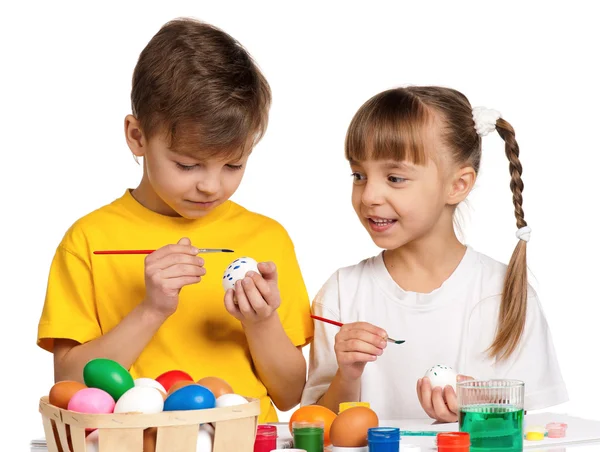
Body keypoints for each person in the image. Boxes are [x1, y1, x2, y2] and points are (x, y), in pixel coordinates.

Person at [37, 18, 313, 423]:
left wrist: (262, 322)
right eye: (188, 164)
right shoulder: (89, 240)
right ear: (137, 137)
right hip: (138, 442)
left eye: (233, 164)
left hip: (247, 440)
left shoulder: (266, 238)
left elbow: (290, 394)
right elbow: (70, 386)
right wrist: (151, 309)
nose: (211, 186)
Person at [301, 86, 567, 421]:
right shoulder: (343, 291)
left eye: (395, 178)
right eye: (359, 175)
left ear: (458, 185)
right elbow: (315, 425)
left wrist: (475, 410)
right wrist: (347, 374)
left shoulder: (506, 294)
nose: (369, 195)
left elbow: (534, 430)